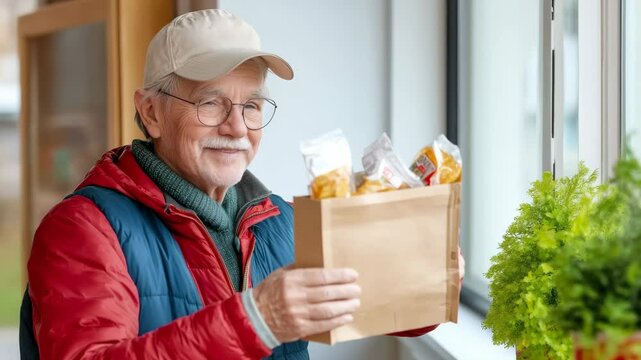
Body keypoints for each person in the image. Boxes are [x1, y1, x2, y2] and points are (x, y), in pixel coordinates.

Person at [20, 9, 457, 359]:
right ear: (151, 112)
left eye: (251, 105)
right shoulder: (81, 230)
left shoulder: (281, 220)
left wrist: (425, 269)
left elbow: (381, 303)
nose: (237, 127)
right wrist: (258, 319)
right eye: (211, 103)